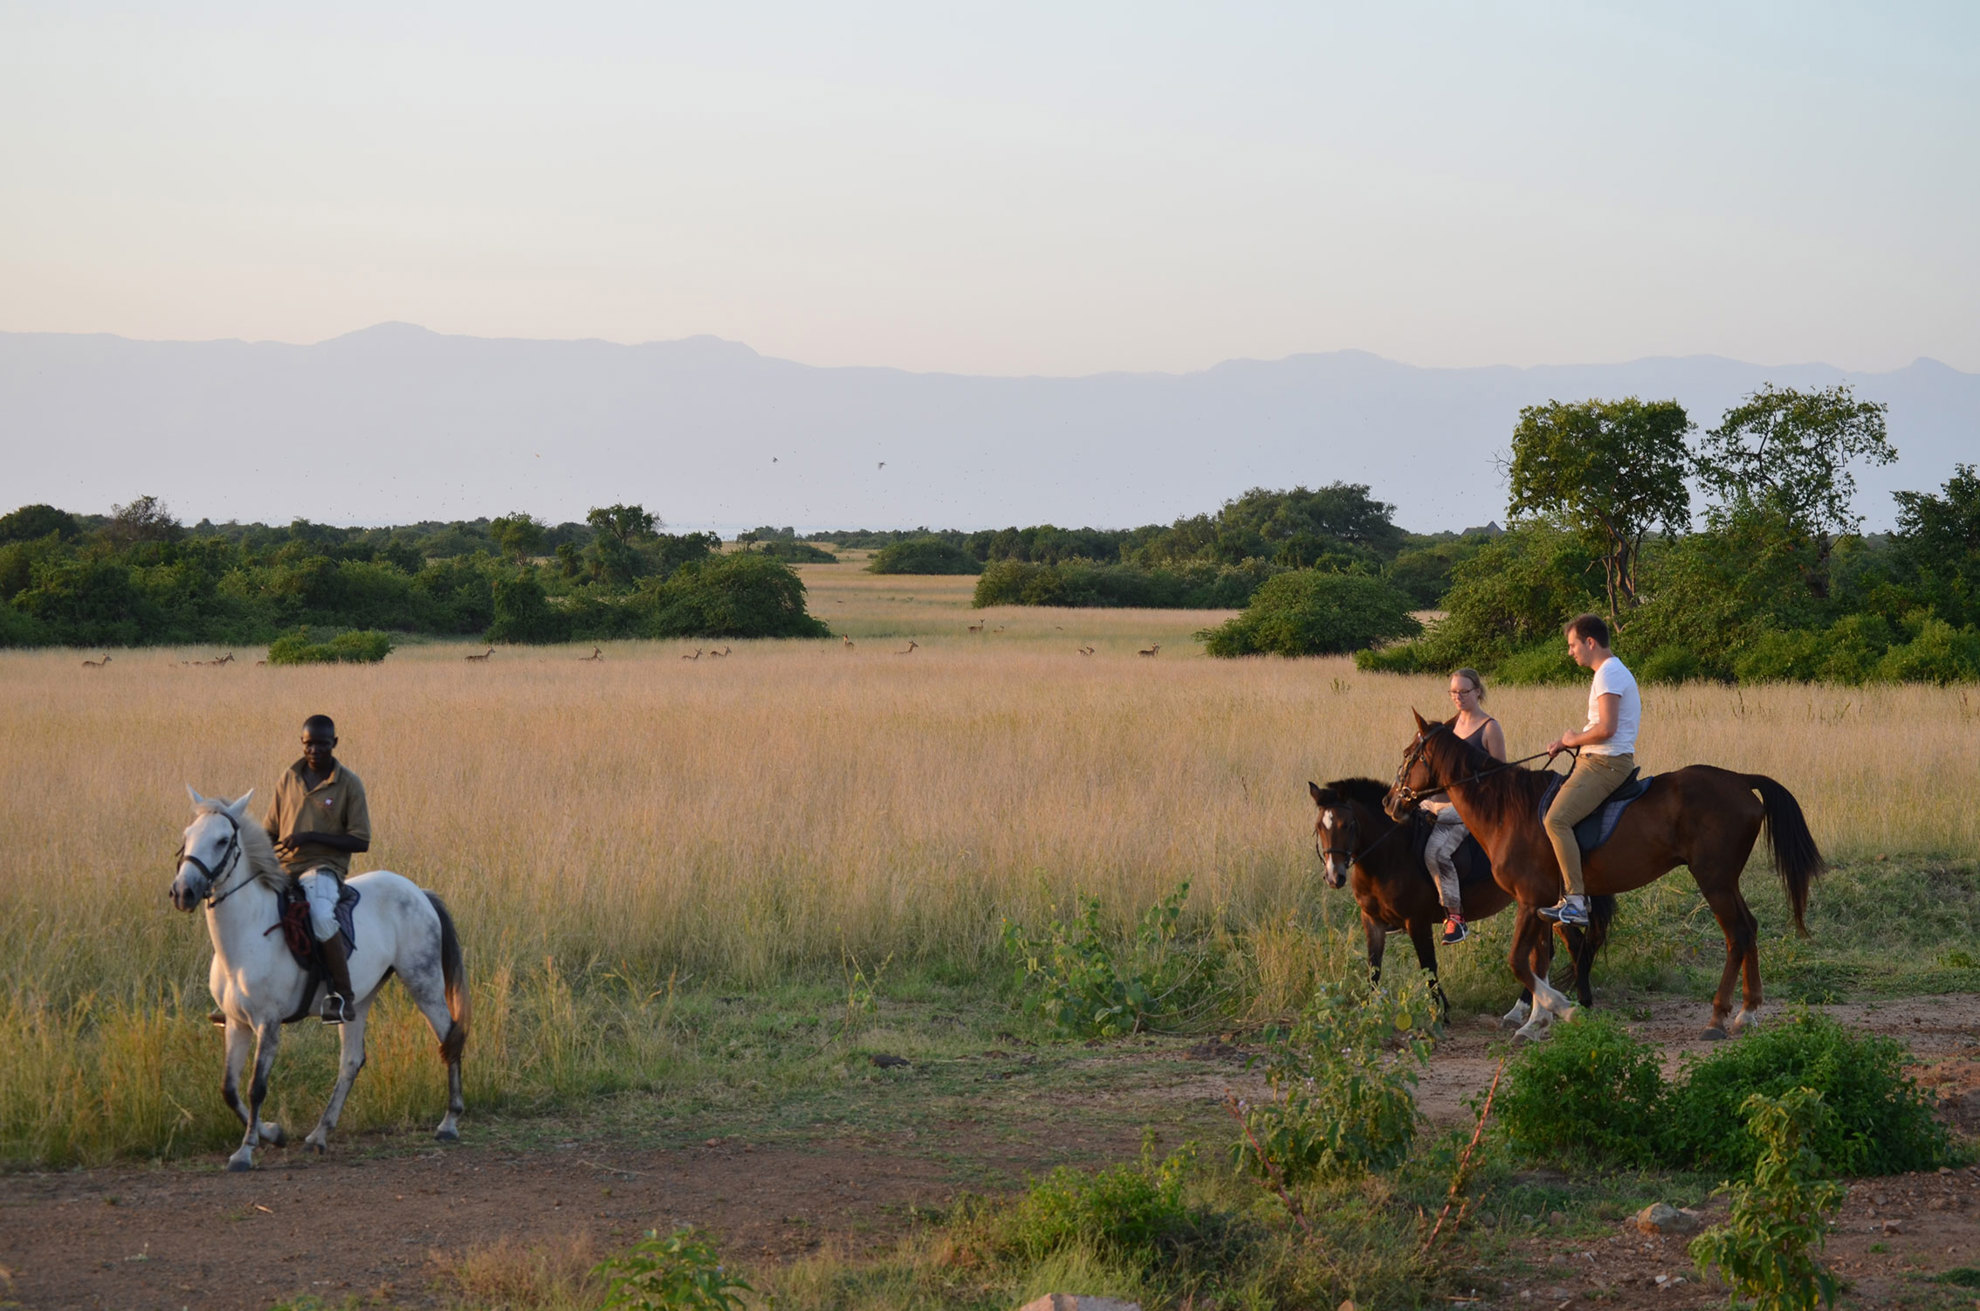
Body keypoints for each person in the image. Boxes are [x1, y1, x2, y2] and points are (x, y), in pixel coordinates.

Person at [263, 714, 372, 1023]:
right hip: (285, 868)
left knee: (322, 918)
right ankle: (237, 996)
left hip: (324, 869)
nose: (315, 751)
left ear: (334, 743)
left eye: (322, 744)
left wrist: (309, 837)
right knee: (244, 905)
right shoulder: (288, 778)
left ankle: (342, 996)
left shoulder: (348, 784)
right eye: (309, 744)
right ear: (302, 742)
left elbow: (360, 841)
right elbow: (270, 831)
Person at [1540, 614, 1640, 927]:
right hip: (1598, 757)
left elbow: (1607, 729)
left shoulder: (1608, 674)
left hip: (1605, 762)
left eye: (1573, 645)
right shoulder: (1610, 672)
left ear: (1590, 642)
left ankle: (1575, 902)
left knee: (1555, 820)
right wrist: (1568, 743)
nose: (1570, 651)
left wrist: (1573, 738)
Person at [1423, 667, 1506, 944]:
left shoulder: (1489, 727)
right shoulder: (1450, 725)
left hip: (1468, 807)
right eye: (1453, 692)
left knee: (1436, 852)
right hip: (1437, 802)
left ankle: (1456, 918)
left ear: (1478, 692)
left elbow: (1501, 777)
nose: (1458, 697)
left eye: (1464, 692)